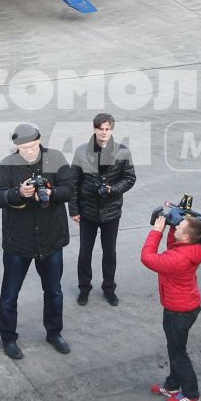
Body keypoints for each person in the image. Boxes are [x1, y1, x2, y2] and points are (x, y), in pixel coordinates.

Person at [0, 122, 74, 360]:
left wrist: (51, 192)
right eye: (22, 148)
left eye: (31, 146)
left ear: (40, 140)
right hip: (19, 242)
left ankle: (54, 333)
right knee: (9, 295)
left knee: (54, 292)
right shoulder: (8, 165)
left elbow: (69, 189)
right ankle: (8, 338)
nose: (27, 151)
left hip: (50, 240)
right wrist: (19, 194)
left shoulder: (55, 158)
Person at [140, 201, 201, 401]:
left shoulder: (178, 259)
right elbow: (174, 246)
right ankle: (172, 384)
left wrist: (156, 232)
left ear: (186, 236)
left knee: (178, 353)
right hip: (184, 306)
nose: (176, 226)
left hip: (179, 311)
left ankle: (191, 393)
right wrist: (171, 228)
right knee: (174, 348)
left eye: (179, 227)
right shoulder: (192, 248)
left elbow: (148, 258)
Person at [70, 112, 135, 307]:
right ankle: (84, 288)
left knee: (110, 252)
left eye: (107, 129)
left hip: (111, 211)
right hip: (88, 211)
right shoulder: (81, 152)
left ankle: (109, 288)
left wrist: (112, 189)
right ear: (95, 129)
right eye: (101, 129)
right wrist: (74, 210)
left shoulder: (122, 151)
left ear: (112, 130)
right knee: (85, 252)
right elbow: (73, 182)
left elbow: (130, 178)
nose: (104, 133)